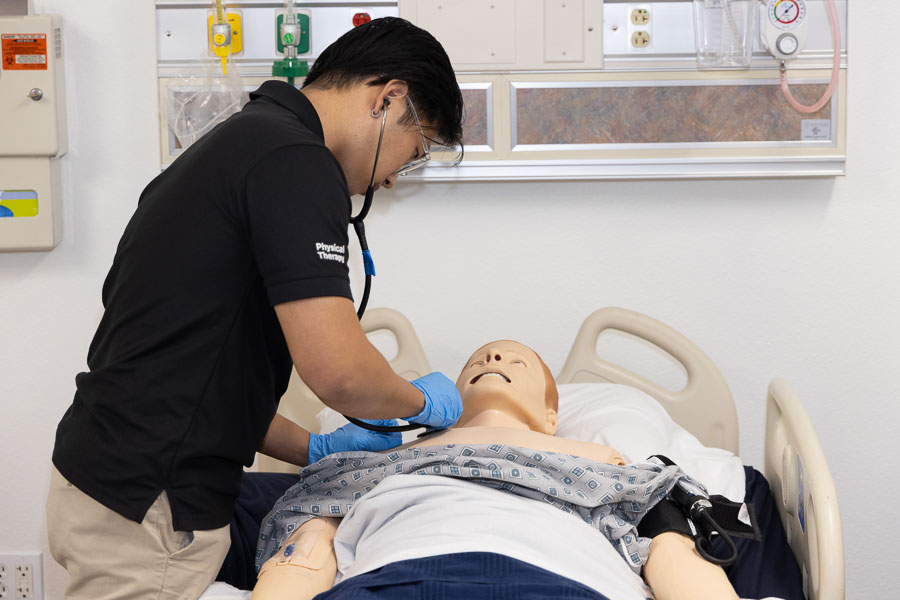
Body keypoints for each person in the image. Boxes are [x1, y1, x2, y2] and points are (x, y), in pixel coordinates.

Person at [45, 17, 465, 600]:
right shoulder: (296, 161)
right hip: (151, 505)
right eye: (413, 149)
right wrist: (428, 404)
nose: (394, 178)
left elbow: (200, 370)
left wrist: (315, 449)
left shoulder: (244, 143)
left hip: (107, 479)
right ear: (387, 98)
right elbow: (339, 370)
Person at [249, 340, 741, 600]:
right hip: (392, 579)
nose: (493, 356)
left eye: (518, 361)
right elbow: (308, 545)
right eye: (477, 360)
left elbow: (671, 549)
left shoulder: (605, 462)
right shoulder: (378, 460)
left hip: (562, 582)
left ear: (552, 417)